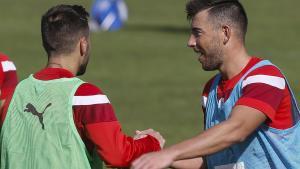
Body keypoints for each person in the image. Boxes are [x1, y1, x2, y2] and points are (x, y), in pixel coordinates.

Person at [131, 0, 300, 169]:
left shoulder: (264, 78)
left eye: (197, 33)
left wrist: (170, 153)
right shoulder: (211, 90)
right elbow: (213, 160)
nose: (190, 42)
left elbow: (237, 129)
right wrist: (156, 155)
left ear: (225, 33)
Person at [0, 4, 164, 169]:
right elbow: (118, 155)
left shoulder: (12, 97)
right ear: (83, 44)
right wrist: (152, 142)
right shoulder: (85, 97)